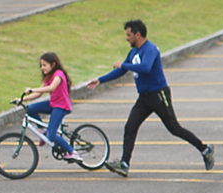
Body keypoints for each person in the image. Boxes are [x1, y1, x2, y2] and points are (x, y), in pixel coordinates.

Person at [86, 20, 214, 177]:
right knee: (130, 127)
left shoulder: (151, 49)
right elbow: (121, 71)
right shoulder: (133, 53)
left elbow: (145, 67)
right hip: (144, 98)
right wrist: (100, 80)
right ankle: (124, 164)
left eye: (128, 35)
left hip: (159, 95)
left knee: (174, 128)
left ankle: (205, 149)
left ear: (137, 34)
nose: (127, 38)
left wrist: (123, 65)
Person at [21, 52, 82, 163]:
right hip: (53, 104)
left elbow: (52, 88)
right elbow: (39, 94)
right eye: (41, 65)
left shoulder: (59, 74)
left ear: (53, 65)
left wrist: (33, 89)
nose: (42, 68)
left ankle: (73, 152)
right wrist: (22, 99)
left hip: (61, 106)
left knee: (52, 134)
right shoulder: (47, 77)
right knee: (30, 109)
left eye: (44, 65)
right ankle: (42, 130)